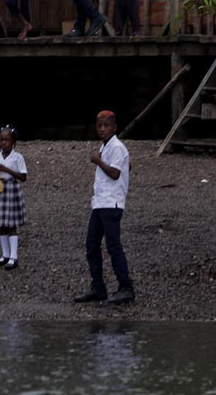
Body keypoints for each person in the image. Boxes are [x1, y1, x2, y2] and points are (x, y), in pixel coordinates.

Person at [74, 111, 135, 305]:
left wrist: (97, 160)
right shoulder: (107, 146)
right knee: (92, 244)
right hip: (100, 202)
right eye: (100, 126)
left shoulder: (117, 147)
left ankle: (126, 287)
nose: (102, 129)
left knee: (113, 245)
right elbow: (126, 167)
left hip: (112, 203)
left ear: (114, 127)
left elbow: (115, 173)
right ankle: (98, 287)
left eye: (106, 125)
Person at [0, 126, 28, 270]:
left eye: (7, 140)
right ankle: (5, 255)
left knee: (11, 225)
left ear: (13, 142)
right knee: (2, 224)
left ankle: (14, 257)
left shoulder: (18, 157)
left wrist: (8, 170)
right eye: (1, 140)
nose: (3, 143)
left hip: (12, 189)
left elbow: (23, 177)